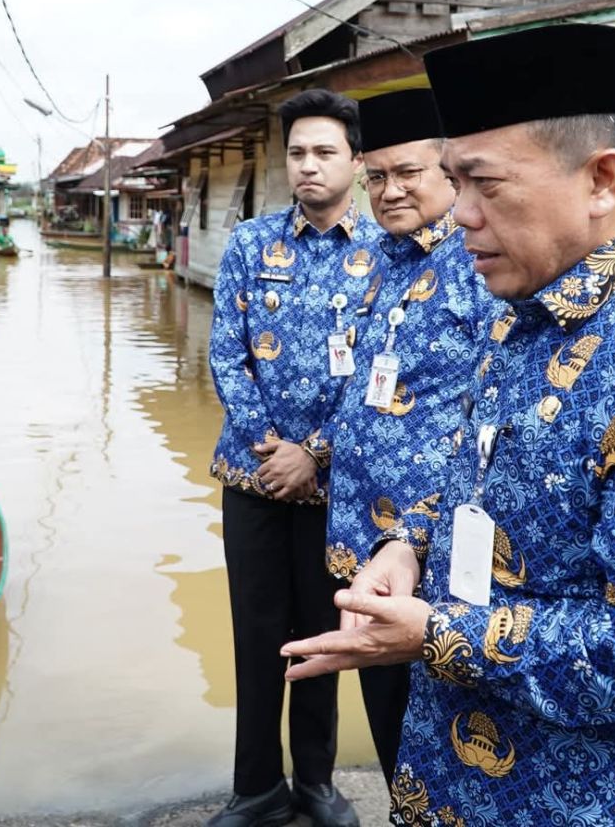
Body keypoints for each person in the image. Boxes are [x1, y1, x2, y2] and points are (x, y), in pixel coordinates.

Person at [282, 25, 615, 826]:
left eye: (484, 184)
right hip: (460, 774)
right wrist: (411, 547)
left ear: (602, 180)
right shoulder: (524, 307)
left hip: (591, 795)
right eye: (454, 181)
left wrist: (435, 632)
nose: (461, 216)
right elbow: (473, 469)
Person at [207, 89, 384, 827]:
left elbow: (387, 371)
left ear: (357, 163)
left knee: (325, 639)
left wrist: (314, 454)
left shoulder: (387, 255)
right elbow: (225, 351)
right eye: (297, 153)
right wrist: (273, 449)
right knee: (256, 638)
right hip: (253, 479)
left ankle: (316, 782)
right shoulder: (251, 245)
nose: (307, 166)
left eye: (324, 152)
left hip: (339, 491)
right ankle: (256, 790)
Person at [322, 88, 495, 786]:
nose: (390, 192)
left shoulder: (478, 263)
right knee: (392, 734)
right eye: (376, 179)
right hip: (362, 540)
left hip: (429, 555)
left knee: (439, 744)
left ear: (449, 172)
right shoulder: (379, 262)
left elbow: (489, 412)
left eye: (408, 174)